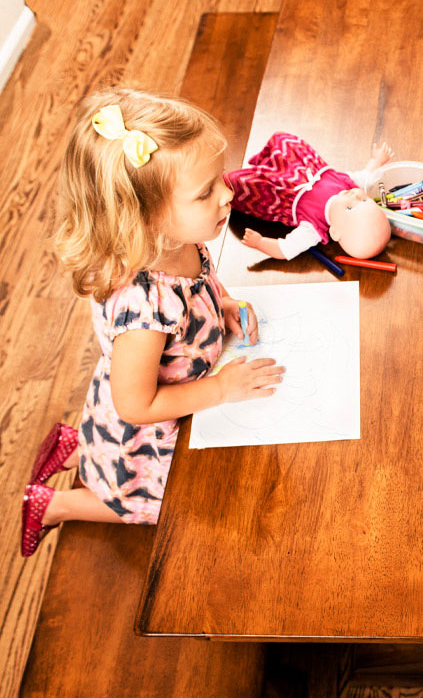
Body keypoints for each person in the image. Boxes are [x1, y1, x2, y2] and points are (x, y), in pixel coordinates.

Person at [21, 88, 285, 556]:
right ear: (144, 219)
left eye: (219, 178)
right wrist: (222, 389)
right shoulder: (143, 311)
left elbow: (201, 278)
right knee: (152, 505)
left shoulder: (179, 238)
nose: (228, 193)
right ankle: (54, 504)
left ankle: (81, 445)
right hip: (143, 436)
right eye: (205, 192)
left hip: (159, 400)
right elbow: (135, 406)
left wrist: (220, 304)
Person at [227, 132, 395, 261]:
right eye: (364, 199)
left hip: (277, 189)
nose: (354, 196)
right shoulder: (348, 184)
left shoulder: (314, 228)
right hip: (301, 164)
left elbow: (286, 249)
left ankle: (262, 169)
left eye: (350, 208)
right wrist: (376, 160)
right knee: (282, 139)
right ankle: (267, 157)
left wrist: (260, 242)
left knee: (236, 185)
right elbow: (366, 174)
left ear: (335, 232)